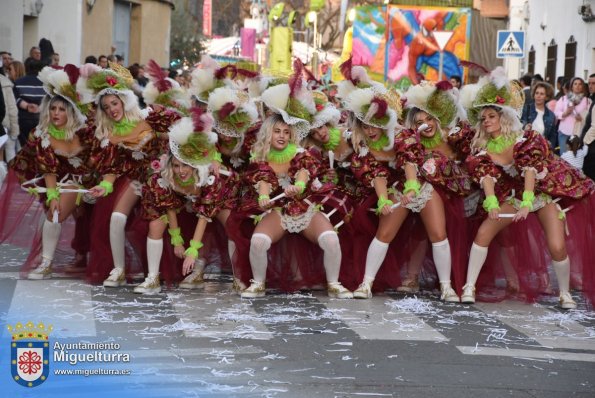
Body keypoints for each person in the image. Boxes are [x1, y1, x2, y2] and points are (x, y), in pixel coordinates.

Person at [460, 67, 595, 309]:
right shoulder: (482, 148)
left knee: (556, 244)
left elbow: (530, 171)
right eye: (484, 118)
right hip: (512, 194)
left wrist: (527, 203)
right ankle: (469, 287)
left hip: (540, 193)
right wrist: (491, 202)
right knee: (484, 232)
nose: (487, 121)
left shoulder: (524, 140)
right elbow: (486, 177)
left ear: (503, 117)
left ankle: (565, 293)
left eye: (492, 116)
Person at [81, 63, 180, 286]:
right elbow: (111, 171)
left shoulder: (149, 118)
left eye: (114, 103)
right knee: (116, 217)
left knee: (155, 222)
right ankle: (119, 269)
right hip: (133, 179)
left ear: (125, 101)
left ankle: (154, 274)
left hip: (158, 179)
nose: (111, 109)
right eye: (105, 107)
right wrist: (104, 187)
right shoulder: (109, 136)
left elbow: (181, 134)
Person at [136, 109, 238, 293]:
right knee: (155, 224)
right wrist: (177, 240)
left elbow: (204, 215)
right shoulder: (164, 178)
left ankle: (239, 277)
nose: (180, 170)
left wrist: (192, 251)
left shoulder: (211, 178)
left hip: (217, 198)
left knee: (231, 225)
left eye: (185, 165)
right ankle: (152, 279)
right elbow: (170, 207)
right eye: (176, 165)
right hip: (183, 202)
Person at [9, 65, 95, 279]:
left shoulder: (85, 132)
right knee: (54, 213)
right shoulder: (42, 135)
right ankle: (46, 263)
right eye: (53, 108)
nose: (56, 113)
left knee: (87, 220)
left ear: (72, 111)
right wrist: (53, 195)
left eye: (62, 109)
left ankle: (81, 256)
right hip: (62, 182)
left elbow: (99, 157)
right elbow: (48, 168)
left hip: (91, 183)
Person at [13, 58, 45, 145]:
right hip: (41, 118)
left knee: (25, 146)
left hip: (23, 118)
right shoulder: (46, 83)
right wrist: (39, 108)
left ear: (26, 68)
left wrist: (27, 106)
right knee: (40, 145)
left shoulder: (18, 82)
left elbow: (15, 99)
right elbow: (50, 100)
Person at [554, 77, 590, 154]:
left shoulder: (586, 100)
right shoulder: (564, 99)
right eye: (575, 84)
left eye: (580, 84)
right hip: (564, 131)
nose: (577, 86)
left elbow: (590, 116)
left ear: (583, 87)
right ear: (571, 86)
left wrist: (582, 118)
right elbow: (556, 113)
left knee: (575, 157)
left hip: (578, 133)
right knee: (564, 156)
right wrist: (565, 113)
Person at [521, 81, 557, 149]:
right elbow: (518, 125)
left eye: (542, 94)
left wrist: (550, 144)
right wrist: (524, 127)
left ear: (547, 97)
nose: (538, 96)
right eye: (536, 93)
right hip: (525, 148)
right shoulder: (526, 109)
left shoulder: (551, 116)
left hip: (540, 150)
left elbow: (553, 136)